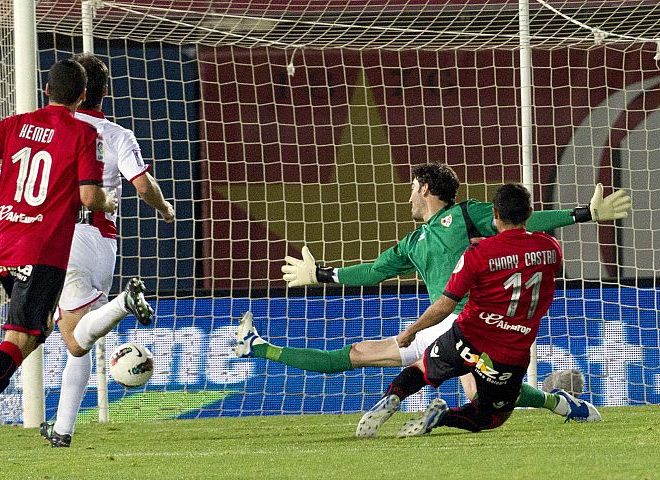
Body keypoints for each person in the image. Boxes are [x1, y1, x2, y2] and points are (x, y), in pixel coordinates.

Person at [236, 163, 628, 421]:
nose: (407, 195)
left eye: (411, 187)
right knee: (356, 354)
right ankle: (259, 347)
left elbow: (524, 220)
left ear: (425, 188)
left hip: (474, 323)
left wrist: (583, 214)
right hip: (438, 326)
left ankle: (559, 403)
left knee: (483, 394)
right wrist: (322, 275)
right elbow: (373, 272)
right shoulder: (412, 243)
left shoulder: (464, 215)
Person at [0, 59, 117, 461]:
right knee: (21, 338)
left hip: (6, 244)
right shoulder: (83, 132)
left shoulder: (14, 124)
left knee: (32, 333)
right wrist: (107, 200)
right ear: (81, 96)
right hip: (42, 250)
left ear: (46, 90)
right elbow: (90, 198)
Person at [39, 53, 175, 448]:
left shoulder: (50, 130)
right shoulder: (118, 134)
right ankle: (62, 429)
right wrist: (165, 209)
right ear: (103, 92)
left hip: (64, 238)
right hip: (103, 241)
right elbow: (143, 185)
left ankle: (122, 304)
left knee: (74, 339)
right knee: (80, 341)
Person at [355, 183, 565, 437]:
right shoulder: (551, 248)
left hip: (469, 336)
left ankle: (392, 398)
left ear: (495, 215)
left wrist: (411, 331)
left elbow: (446, 304)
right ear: (530, 213)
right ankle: (441, 417)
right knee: (490, 417)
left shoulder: (478, 254)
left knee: (421, 369)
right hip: (510, 350)